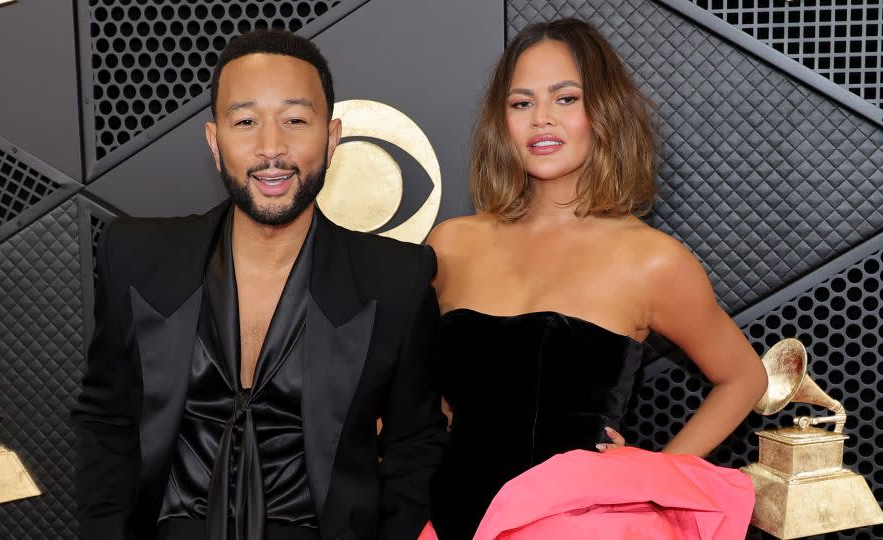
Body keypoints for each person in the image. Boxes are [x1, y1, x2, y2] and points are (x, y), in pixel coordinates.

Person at [72, 30, 446, 540]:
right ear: (214, 141)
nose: (272, 148)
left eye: (295, 120)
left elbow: (414, 444)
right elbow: (106, 419)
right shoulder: (136, 257)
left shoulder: (396, 280)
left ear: (332, 138)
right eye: (246, 121)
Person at [424, 19, 767, 539]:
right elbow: (419, 390)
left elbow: (745, 378)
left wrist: (654, 473)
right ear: (502, 122)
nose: (542, 119)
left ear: (603, 111)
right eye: (521, 103)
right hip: (450, 517)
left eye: (565, 99)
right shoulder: (450, 243)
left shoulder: (651, 260)